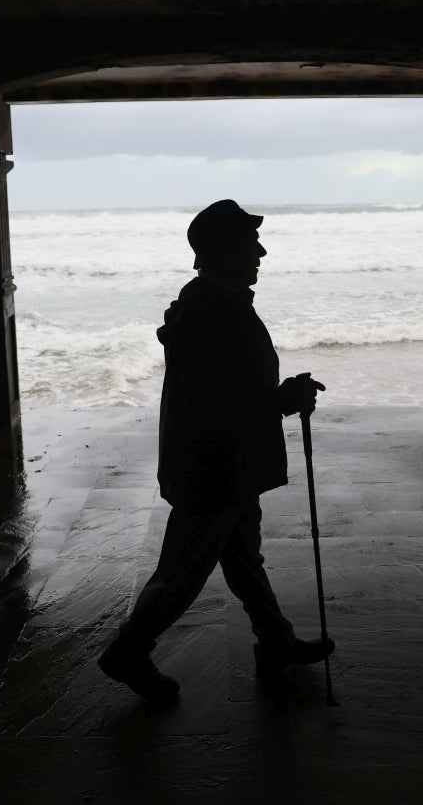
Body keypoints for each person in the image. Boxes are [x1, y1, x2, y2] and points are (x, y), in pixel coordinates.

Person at [98, 199, 333, 702]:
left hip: (226, 465)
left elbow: (228, 391)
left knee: (244, 558)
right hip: (215, 468)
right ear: (226, 251)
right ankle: (128, 651)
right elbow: (223, 403)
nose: (261, 253)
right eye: (251, 245)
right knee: (184, 569)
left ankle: (276, 641)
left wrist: (278, 397)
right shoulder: (214, 310)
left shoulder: (212, 302)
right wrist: (285, 399)